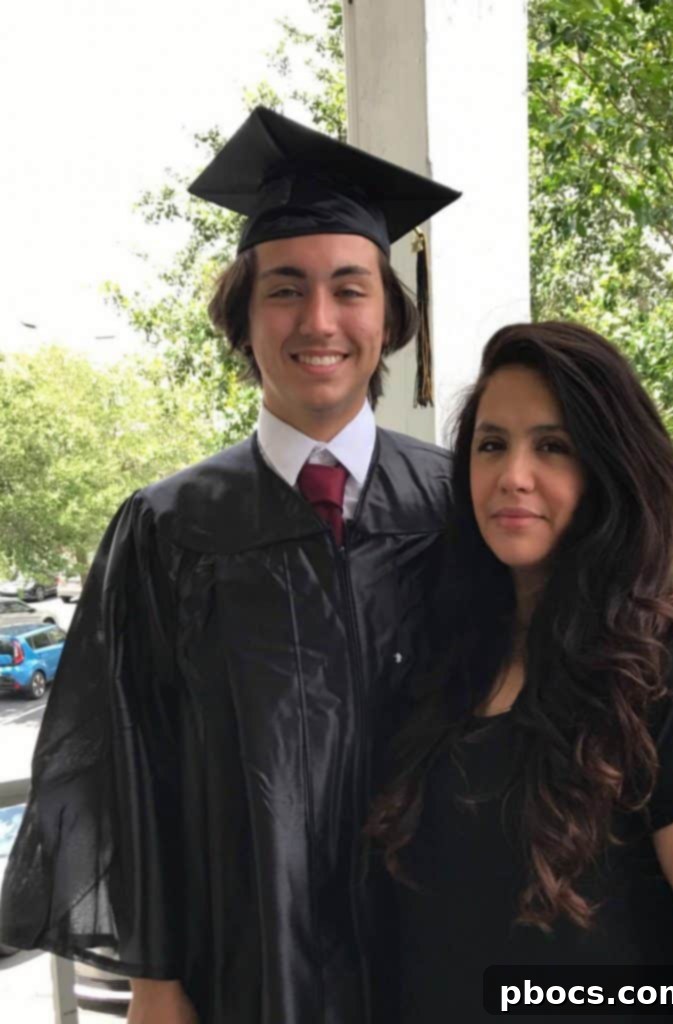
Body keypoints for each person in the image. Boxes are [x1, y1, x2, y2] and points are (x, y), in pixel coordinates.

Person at [0, 107, 462, 1024]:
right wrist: (158, 985)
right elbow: (126, 766)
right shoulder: (168, 529)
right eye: (285, 289)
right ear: (242, 320)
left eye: (351, 288)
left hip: (447, 946)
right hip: (246, 961)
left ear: (390, 315)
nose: (320, 320)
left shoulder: (464, 511)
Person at [368, 322, 673, 1023]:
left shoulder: (661, 668)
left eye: (552, 447)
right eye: (492, 444)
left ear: (607, 468)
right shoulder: (442, 655)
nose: (512, 476)